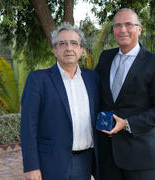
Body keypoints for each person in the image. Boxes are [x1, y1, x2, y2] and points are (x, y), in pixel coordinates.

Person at [95, 8, 155, 180]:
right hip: (107, 158)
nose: (123, 29)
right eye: (118, 25)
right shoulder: (105, 58)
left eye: (128, 24)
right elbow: (94, 90)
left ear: (139, 28)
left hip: (140, 159)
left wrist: (127, 124)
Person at [20, 22, 100, 180]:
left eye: (74, 43)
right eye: (62, 43)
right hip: (50, 163)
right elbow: (28, 126)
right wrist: (31, 166)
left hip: (85, 161)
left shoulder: (93, 79)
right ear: (55, 50)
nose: (69, 48)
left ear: (81, 50)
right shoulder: (38, 80)